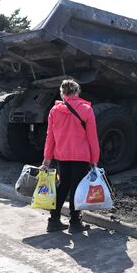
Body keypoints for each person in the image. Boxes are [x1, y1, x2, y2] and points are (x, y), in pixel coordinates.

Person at [41, 79, 100, 233]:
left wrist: (47, 158)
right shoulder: (86, 109)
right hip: (81, 156)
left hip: (62, 155)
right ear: (76, 92)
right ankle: (75, 222)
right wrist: (94, 160)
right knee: (77, 188)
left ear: (63, 94)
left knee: (63, 186)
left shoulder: (54, 111)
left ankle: (53, 220)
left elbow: (50, 137)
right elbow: (92, 138)